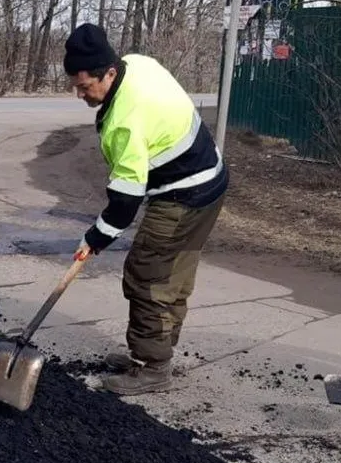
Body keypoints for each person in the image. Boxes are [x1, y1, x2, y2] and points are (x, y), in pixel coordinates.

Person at [62, 23, 229, 396]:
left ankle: (153, 367)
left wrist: (93, 239)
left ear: (109, 72)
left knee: (148, 274)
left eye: (86, 86)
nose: (80, 94)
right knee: (173, 274)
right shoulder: (134, 63)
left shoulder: (125, 119)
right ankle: (155, 352)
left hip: (185, 194)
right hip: (210, 180)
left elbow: (124, 202)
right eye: (75, 86)